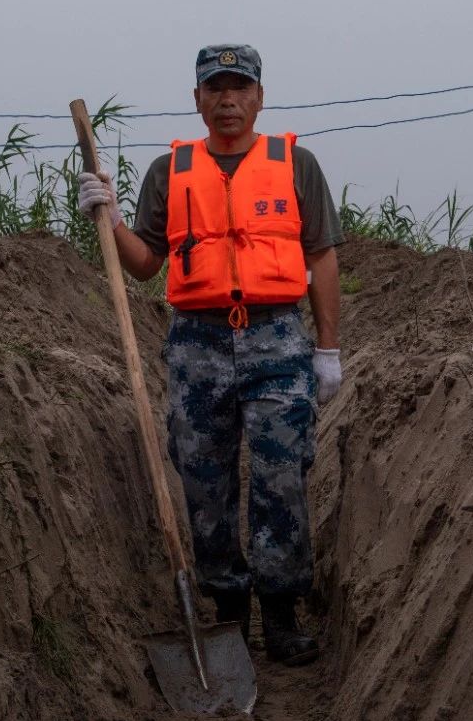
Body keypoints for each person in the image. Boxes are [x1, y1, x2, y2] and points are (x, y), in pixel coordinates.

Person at [78, 44, 343, 666]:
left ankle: (280, 612)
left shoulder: (295, 165)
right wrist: (109, 216)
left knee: (281, 478)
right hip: (197, 343)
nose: (228, 100)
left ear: (259, 96)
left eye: (239, 87)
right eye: (215, 89)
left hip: (277, 336)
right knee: (205, 482)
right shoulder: (169, 173)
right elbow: (144, 265)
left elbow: (323, 257)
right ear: (197, 100)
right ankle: (228, 612)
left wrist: (327, 348)